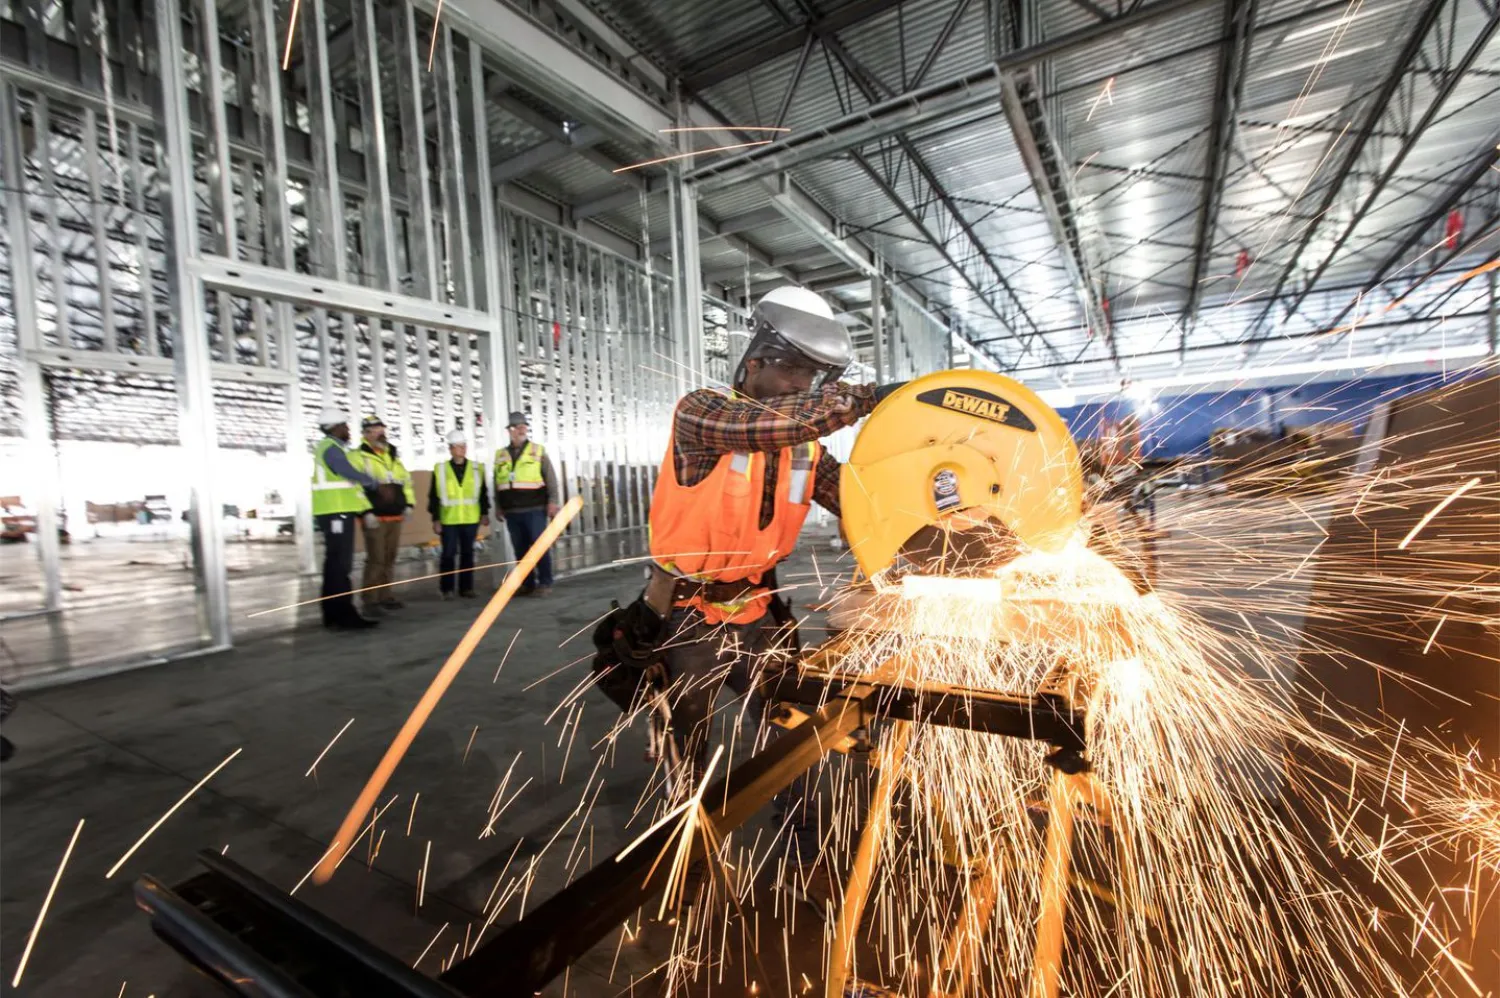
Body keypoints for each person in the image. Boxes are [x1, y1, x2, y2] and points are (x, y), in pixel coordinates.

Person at [601, 285, 877, 898]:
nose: (803, 385)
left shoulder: (805, 445)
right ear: (753, 362)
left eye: (814, 374)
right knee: (688, 748)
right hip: (686, 616)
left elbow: (868, 505)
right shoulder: (703, 414)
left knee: (793, 732)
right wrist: (861, 398)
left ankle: (810, 853)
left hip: (759, 612)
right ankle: (687, 859)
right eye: (795, 370)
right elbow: (771, 424)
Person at [310, 408, 381, 629]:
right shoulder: (331, 449)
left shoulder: (331, 447)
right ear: (335, 427)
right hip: (335, 513)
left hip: (335, 512)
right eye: (345, 426)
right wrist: (370, 481)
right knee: (340, 565)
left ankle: (333, 615)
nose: (348, 429)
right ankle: (344, 615)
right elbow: (346, 472)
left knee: (335, 565)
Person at [493, 411, 560, 596]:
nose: (522, 430)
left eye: (524, 426)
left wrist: (553, 501)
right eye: (517, 427)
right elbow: (497, 483)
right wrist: (498, 506)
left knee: (539, 547)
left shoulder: (537, 451)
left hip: (535, 508)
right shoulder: (501, 455)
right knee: (520, 550)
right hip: (512, 511)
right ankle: (528, 583)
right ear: (510, 431)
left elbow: (551, 478)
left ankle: (545, 582)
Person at [358, 415, 415, 613]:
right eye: (376, 428)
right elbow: (356, 487)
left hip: (395, 516)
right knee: (376, 559)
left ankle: (385, 595)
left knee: (390, 558)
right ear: (366, 433)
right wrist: (366, 511)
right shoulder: (360, 456)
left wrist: (409, 504)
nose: (381, 431)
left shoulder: (392, 455)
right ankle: (370, 600)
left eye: (382, 428)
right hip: (375, 517)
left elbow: (405, 482)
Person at [429, 430, 489, 599]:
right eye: (457, 446)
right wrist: (436, 518)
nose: (461, 449)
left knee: (468, 554)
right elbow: (433, 496)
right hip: (449, 519)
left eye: (463, 446)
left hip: (471, 518)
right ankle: (446, 589)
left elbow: (483, 493)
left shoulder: (477, 468)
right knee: (448, 554)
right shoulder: (440, 469)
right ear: (450, 449)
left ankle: (466, 588)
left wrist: (484, 513)